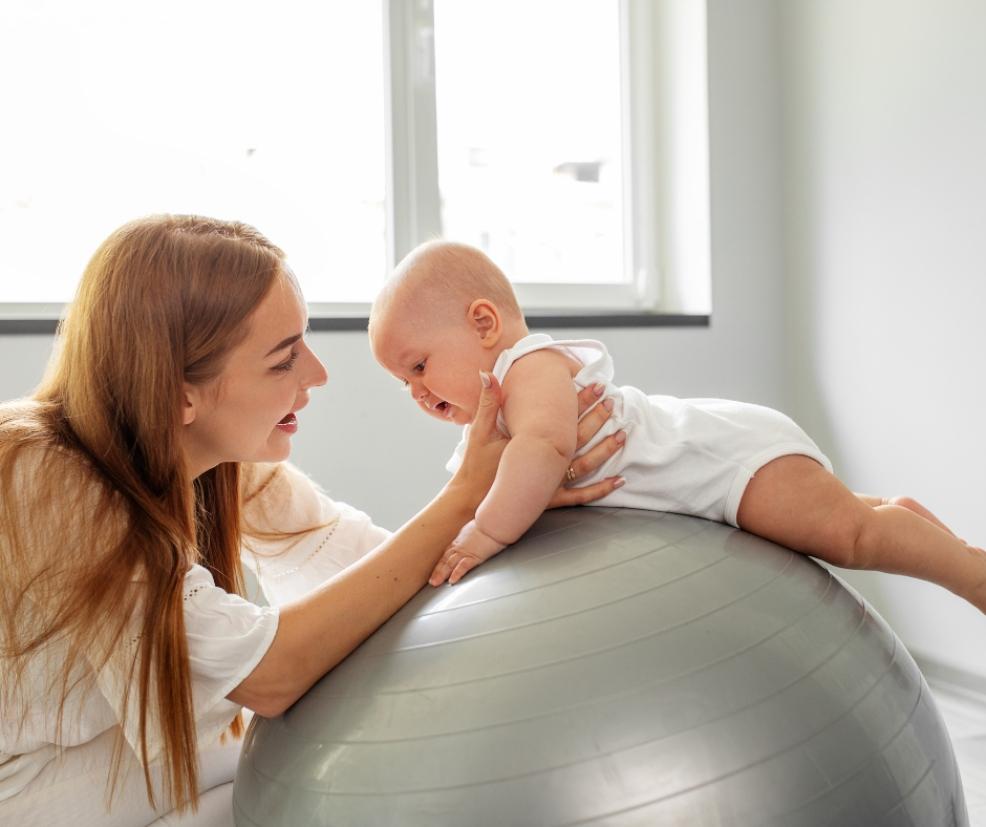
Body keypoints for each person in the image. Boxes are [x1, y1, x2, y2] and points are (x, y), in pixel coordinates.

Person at [0, 215, 625, 826]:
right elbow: (269, 675)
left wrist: (515, 495)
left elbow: (375, 569)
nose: (318, 376)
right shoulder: (41, 472)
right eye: (282, 360)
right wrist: (467, 495)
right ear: (179, 393)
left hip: (113, 774)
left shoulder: (219, 461)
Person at [367, 239, 986, 617]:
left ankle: (970, 572)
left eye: (420, 366)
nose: (419, 393)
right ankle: (898, 515)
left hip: (722, 462)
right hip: (704, 473)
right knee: (855, 517)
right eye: (405, 385)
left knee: (848, 537)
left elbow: (543, 450)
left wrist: (483, 536)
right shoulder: (491, 424)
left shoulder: (528, 369)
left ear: (483, 324)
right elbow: (464, 493)